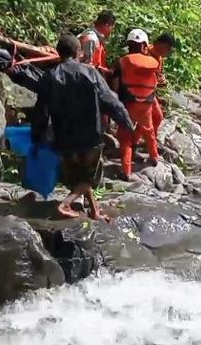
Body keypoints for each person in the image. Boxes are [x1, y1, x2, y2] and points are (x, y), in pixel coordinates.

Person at [31, 34, 134, 220]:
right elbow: (110, 100)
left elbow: (41, 110)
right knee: (88, 178)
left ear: (58, 52)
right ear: (78, 52)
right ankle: (65, 204)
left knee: (79, 176)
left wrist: (38, 136)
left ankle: (94, 211)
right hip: (90, 135)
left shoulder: (49, 76)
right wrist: (126, 122)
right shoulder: (90, 73)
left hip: (63, 135)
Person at [112, 29, 161, 181]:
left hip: (128, 104)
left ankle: (126, 171)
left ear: (129, 45)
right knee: (149, 130)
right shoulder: (154, 63)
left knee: (125, 136)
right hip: (146, 104)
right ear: (144, 45)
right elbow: (156, 82)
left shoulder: (122, 61)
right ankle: (154, 157)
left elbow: (115, 85)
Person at [148, 33, 176, 137]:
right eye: (168, 49)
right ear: (162, 45)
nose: (168, 52)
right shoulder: (146, 52)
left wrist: (162, 80)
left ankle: (145, 140)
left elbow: (158, 74)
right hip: (140, 91)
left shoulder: (159, 58)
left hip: (151, 92)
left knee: (158, 117)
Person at [78, 10, 116, 79]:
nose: (112, 31)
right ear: (107, 25)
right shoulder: (91, 38)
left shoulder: (96, 38)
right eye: (112, 28)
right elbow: (86, 66)